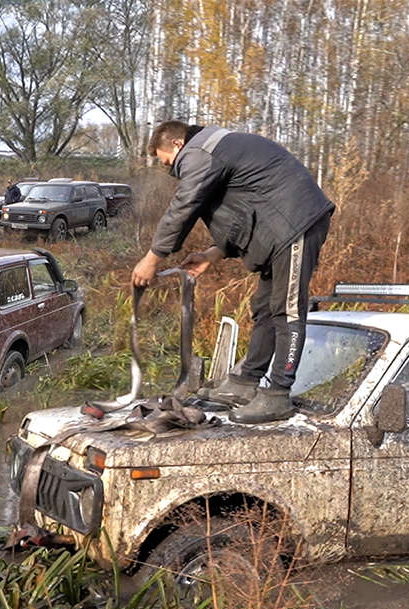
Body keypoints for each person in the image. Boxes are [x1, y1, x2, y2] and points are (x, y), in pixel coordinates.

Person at [131, 120, 335, 424]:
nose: (170, 169)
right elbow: (244, 208)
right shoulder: (216, 149)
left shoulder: (199, 152)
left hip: (296, 224)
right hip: (278, 228)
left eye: (169, 162)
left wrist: (153, 257)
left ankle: (278, 394)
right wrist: (214, 253)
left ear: (177, 144)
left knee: (287, 310)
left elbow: (185, 205)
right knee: (264, 309)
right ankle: (244, 383)